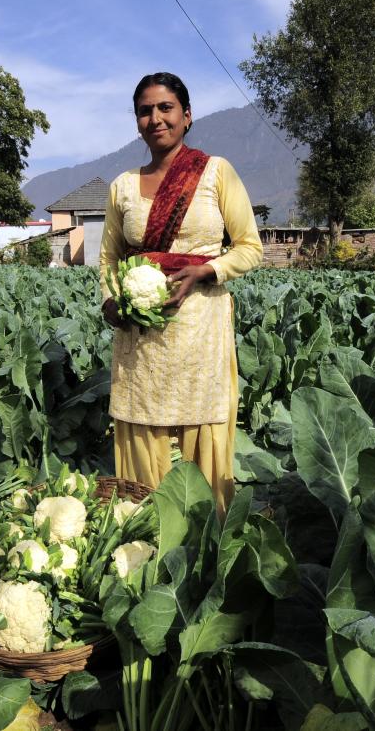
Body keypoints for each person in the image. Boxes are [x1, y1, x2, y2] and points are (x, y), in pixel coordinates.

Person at [98, 72, 263, 514]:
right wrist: (112, 302)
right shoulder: (122, 186)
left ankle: (206, 537)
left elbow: (250, 248)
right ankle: (144, 535)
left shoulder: (215, 172)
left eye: (165, 108)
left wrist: (204, 271)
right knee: (141, 423)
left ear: (187, 116)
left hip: (199, 331)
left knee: (199, 425)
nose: (155, 118)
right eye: (145, 110)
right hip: (140, 340)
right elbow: (109, 259)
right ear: (137, 121)